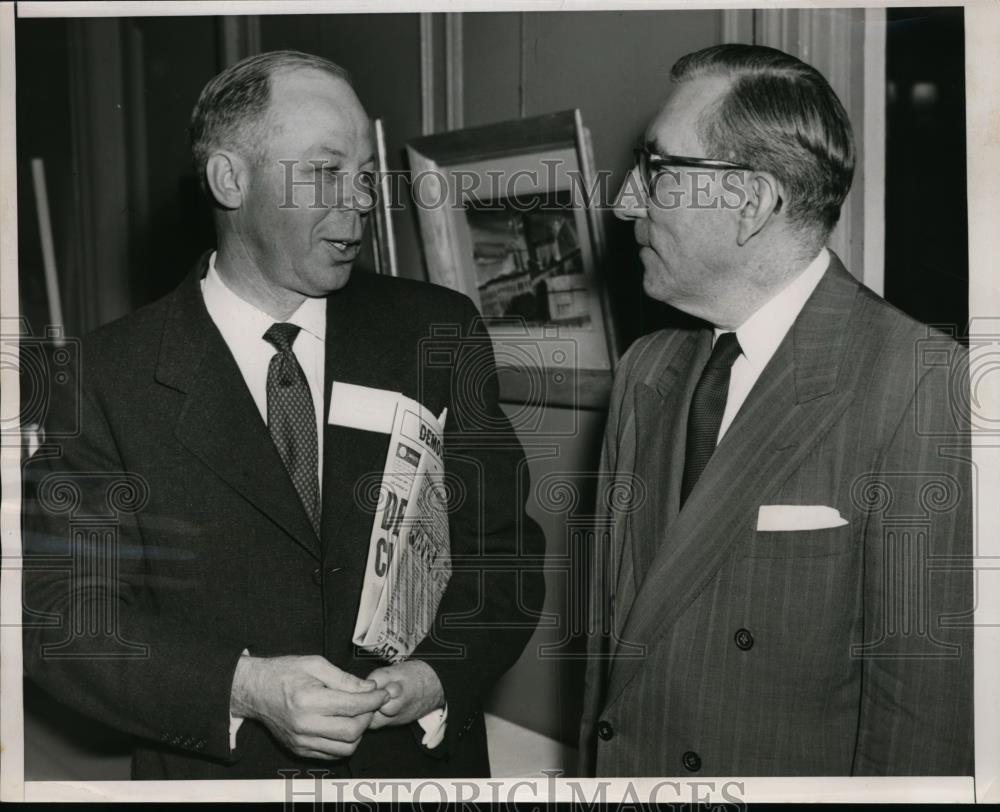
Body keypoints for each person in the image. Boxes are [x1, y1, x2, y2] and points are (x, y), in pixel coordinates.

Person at [22, 50, 545, 780]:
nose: (360, 201)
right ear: (229, 180)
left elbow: (502, 551)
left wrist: (439, 675)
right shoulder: (101, 379)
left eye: (366, 175)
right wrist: (246, 689)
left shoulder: (437, 332)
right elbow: (63, 617)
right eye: (326, 172)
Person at [578, 44, 972, 776]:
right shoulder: (645, 372)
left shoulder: (920, 383)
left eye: (658, 169)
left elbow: (922, 729)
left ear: (750, 202)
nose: (627, 200)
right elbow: (611, 671)